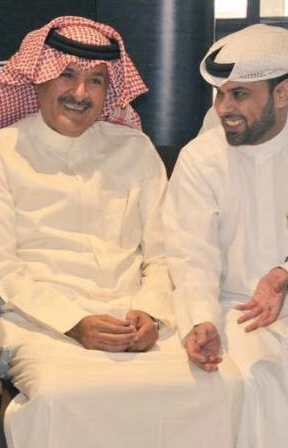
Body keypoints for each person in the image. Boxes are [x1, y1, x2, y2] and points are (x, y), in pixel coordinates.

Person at [0, 16, 241, 448]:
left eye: (95, 81)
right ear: (38, 78)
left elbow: (164, 253)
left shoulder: (135, 149)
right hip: (43, 327)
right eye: (67, 74)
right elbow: (0, 269)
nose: (80, 93)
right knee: (62, 397)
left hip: (134, 323)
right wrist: (74, 324)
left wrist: (151, 312)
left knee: (217, 385)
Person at [164, 24, 288, 447]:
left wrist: (283, 273)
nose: (223, 108)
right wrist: (200, 320)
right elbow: (190, 254)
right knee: (257, 379)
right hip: (237, 312)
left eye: (239, 95)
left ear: (282, 94)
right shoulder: (201, 160)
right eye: (219, 94)